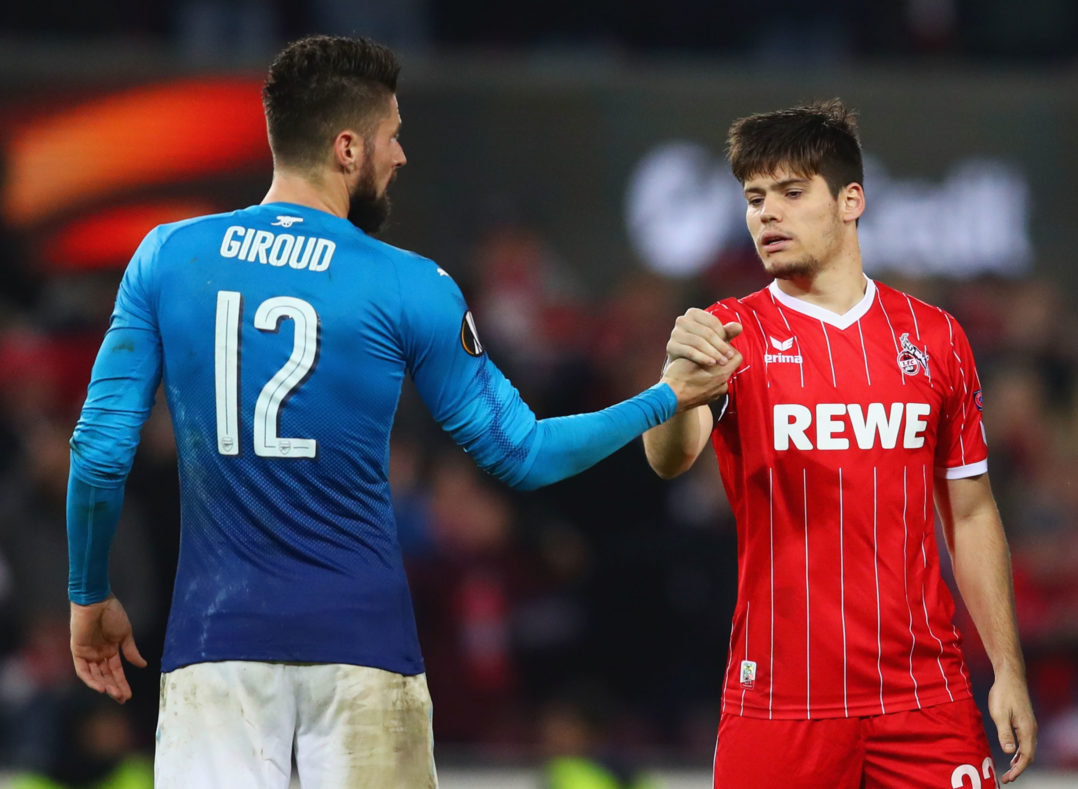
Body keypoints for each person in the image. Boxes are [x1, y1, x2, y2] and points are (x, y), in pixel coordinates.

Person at [64, 35, 736, 789]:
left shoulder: (167, 256)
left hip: (215, 655)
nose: (401, 155)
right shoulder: (409, 285)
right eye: (392, 135)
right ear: (347, 148)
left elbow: (98, 453)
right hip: (362, 654)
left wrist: (88, 595)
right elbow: (525, 452)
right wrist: (666, 397)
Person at [643, 99, 1038, 787]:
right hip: (779, 701)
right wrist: (677, 384)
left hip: (924, 694)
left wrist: (1007, 667)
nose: (767, 214)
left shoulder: (935, 338)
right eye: (755, 198)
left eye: (792, 193)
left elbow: (971, 511)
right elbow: (668, 458)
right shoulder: (731, 332)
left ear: (851, 200)